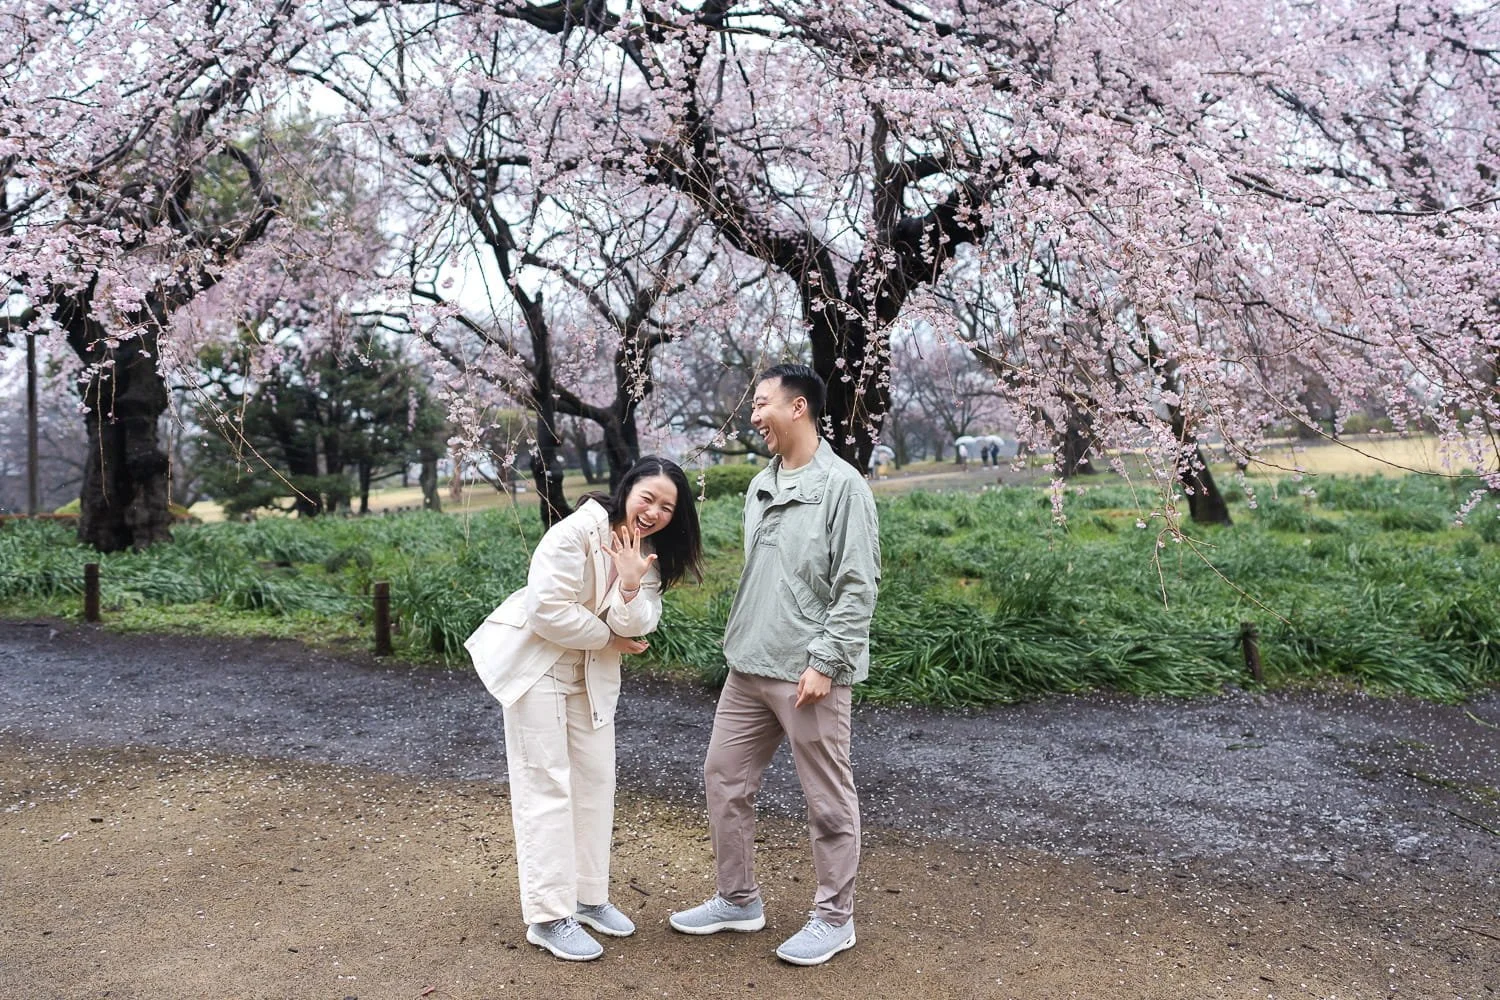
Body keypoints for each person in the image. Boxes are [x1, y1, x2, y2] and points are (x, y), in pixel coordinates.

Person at [669, 364, 881, 966]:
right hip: (748, 667)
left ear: (799, 408)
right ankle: (737, 900)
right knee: (724, 779)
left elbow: (858, 585)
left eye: (762, 404)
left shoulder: (844, 486)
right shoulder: (759, 485)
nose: (753, 415)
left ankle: (835, 918)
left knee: (827, 799)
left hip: (810, 674)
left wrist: (826, 660)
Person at [465, 456, 702, 961]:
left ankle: (589, 897)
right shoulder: (575, 531)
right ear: (627, 490)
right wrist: (609, 638)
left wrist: (631, 581)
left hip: (590, 674)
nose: (654, 511)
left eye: (667, 506)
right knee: (545, 784)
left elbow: (638, 625)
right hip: (540, 667)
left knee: (595, 782)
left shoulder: (646, 554)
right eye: (647, 497)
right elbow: (546, 611)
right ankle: (549, 917)